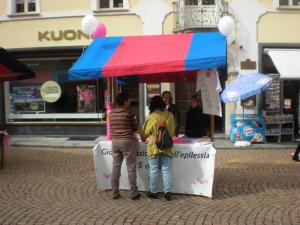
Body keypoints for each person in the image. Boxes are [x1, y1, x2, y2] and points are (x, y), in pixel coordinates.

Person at [141, 95, 175, 201]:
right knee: (166, 168)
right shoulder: (169, 115)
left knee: (154, 169)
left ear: (152, 105)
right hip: (166, 145)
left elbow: (144, 134)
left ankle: (153, 192)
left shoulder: (150, 117)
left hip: (154, 145)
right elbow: (172, 132)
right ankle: (168, 192)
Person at [110, 92, 140, 200]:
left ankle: (114, 192)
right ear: (125, 101)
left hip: (115, 142)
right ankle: (134, 192)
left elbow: (112, 127)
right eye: (128, 100)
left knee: (115, 167)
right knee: (131, 167)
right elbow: (134, 128)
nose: (129, 102)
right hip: (127, 141)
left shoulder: (111, 113)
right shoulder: (129, 114)